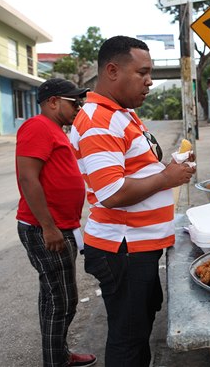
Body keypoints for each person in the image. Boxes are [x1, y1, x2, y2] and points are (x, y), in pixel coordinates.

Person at [69, 36, 195, 367]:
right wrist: (167, 178)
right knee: (127, 337)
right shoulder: (100, 119)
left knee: (139, 327)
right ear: (112, 70)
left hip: (138, 246)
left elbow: (136, 168)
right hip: (122, 249)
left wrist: (171, 169)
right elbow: (112, 193)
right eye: (142, 72)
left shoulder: (121, 113)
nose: (150, 81)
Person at [16, 78, 97, 367]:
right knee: (61, 300)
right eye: (74, 102)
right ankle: (56, 361)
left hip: (60, 226)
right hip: (45, 228)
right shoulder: (37, 126)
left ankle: (59, 354)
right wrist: (48, 227)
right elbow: (28, 178)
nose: (80, 107)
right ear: (53, 102)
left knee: (54, 296)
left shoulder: (56, 130)